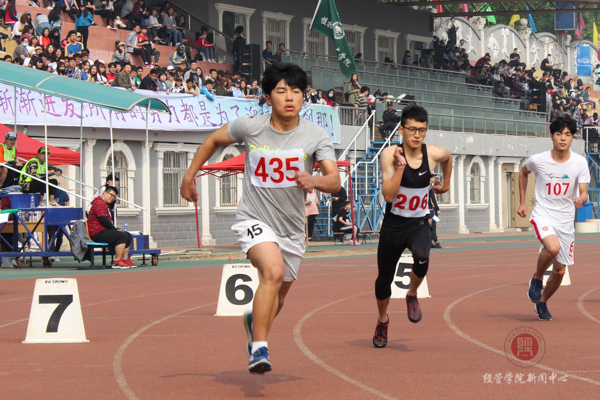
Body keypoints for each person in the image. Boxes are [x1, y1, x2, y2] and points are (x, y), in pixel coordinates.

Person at [180, 63, 341, 373]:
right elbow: (213, 140)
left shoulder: (315, 135)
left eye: (296, 91)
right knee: (273, 271)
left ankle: (254, 322)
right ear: (268, 97)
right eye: (281, 91)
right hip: (254, 218)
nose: (289, 97)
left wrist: (314, 180)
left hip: (292, 228)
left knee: (277, 299)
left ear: (303, 97)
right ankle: (259, 349)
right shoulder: (250, 126)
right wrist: (189, 176)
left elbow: (334, 181)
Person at [372, 104, 452, 348]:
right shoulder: (389, 154)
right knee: (383, 281)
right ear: (401, 130)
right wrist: (401, 166)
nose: (417, 135)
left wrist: (446, 185)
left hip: (418, 223)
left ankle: (412, 294)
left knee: (422, 256)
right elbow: (388, 195)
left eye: (422, 130)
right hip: (394, 226)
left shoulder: (433, 153)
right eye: (412, 130)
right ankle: (383, 321)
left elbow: (449, 157)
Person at [519, 116, 589, 321]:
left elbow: (584, 192)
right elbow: (523, 173)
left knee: (559, 272)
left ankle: (541, 303)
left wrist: (581, 199)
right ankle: (537, 278)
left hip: (566, 221)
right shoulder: (538, 160)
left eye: (568, 134)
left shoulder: (579, 162)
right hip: (544, 214)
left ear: (573, 138)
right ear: (552, 136)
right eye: (559, 134)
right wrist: (522, 202)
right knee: (552, 248)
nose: (563, 138)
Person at [87, 186, 137, 269]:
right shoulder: (98, 202)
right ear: (105, 193)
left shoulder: (106, 205)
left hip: (104, 231)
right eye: (111, 195)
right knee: (121, 235)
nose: (112, 198)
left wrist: (115, 230)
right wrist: (115, 230)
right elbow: (103, 219)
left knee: (127, 235)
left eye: (114, 197)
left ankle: (125, 259)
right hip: (96, 232)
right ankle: (117, 261)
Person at [428, 175, 441, 249]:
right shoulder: (427, 186)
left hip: (429, 208)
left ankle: (430, 241)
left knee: (432, 225)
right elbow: (432, 198)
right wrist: (437, 208)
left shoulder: (430, 187)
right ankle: (434, 241)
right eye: (433, 177)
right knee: (430, 226)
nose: (434, 179)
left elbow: (433, 197)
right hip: (429, 208)